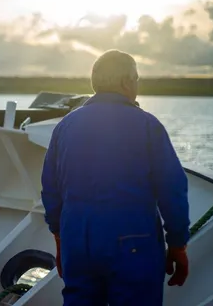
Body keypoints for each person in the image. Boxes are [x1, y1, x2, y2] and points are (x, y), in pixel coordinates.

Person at [41, 49, 190, 306]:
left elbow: (50, 190)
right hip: (132, 240)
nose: (136, 85)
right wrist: (177, 244)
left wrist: (61, 240)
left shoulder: (65, 126)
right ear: (126, 82)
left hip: (77, 239)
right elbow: (172, 189)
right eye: (136, 79)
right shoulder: (147, 125)